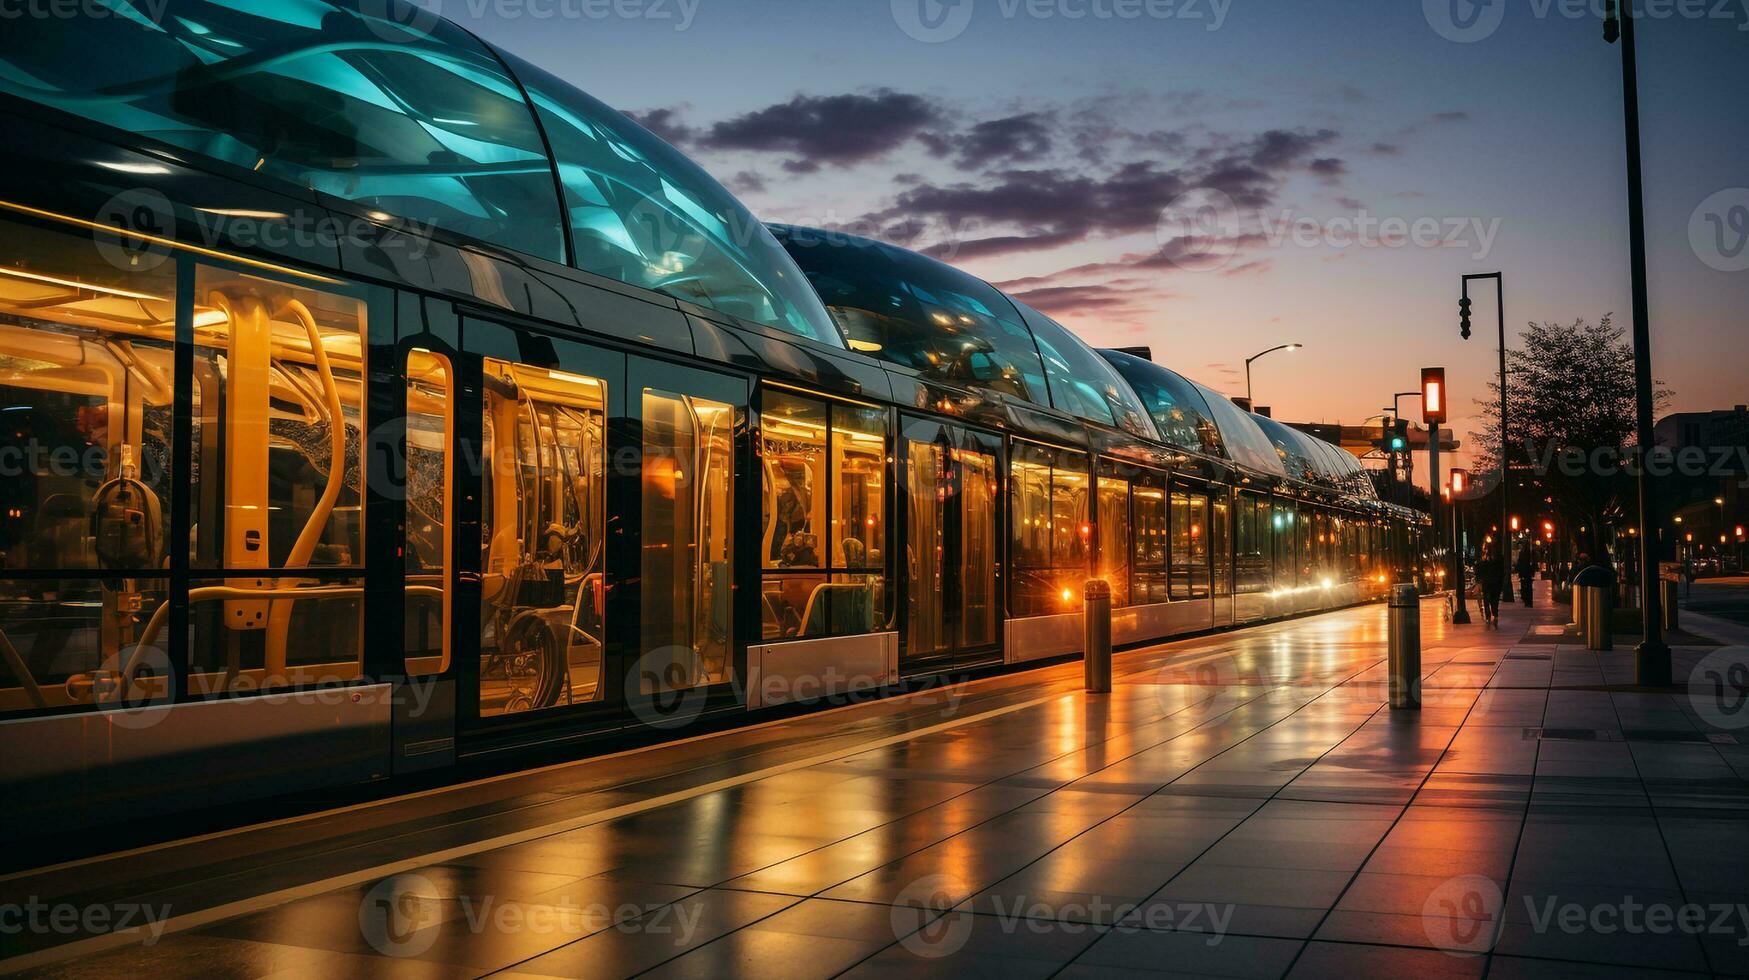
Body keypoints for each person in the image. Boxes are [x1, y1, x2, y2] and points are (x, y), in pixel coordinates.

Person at [1476, 544, 1506, 629]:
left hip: (1491, 583)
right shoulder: (1490, 561)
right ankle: (1491, 616)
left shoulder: (1494, 561)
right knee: (1490, 600)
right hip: (1491, 583)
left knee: (1491, 600)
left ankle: (1491, 615)